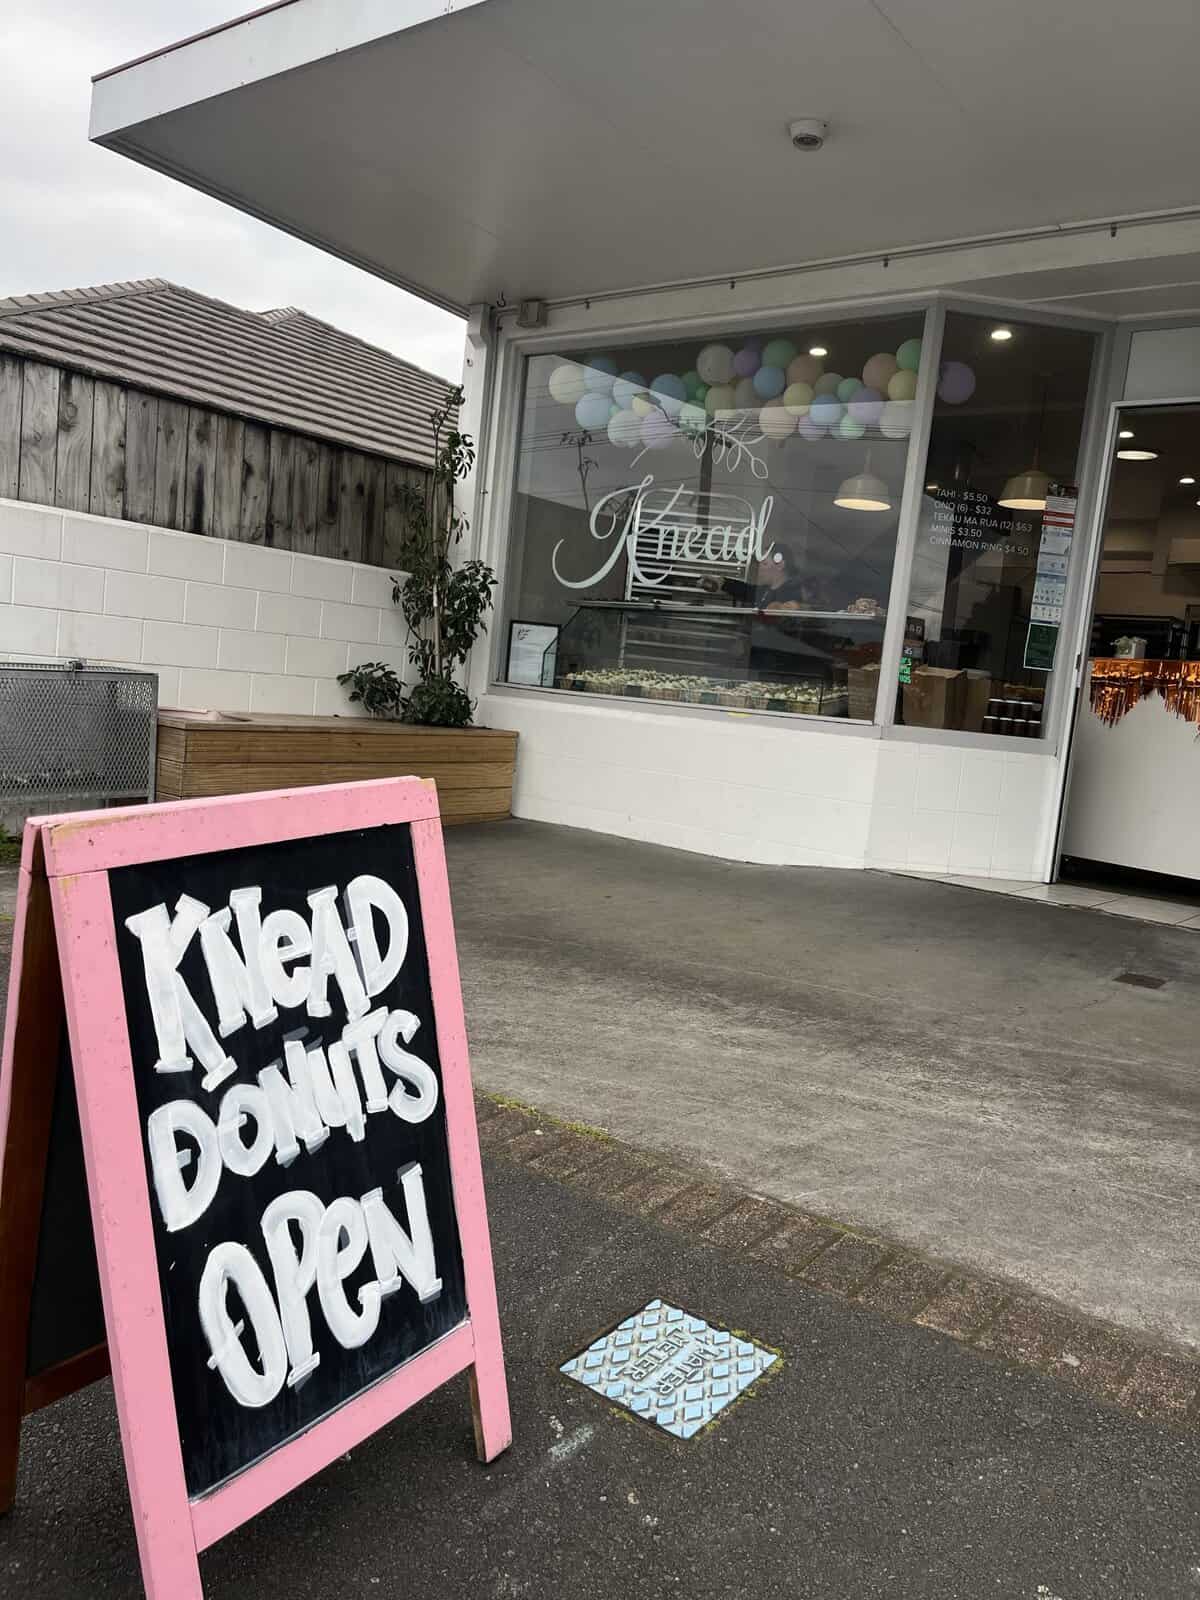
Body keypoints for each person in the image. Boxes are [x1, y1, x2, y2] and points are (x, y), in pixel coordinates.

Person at [700, 545, 825, 611]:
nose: (759, 568)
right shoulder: (766, 591)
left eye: (764, 563)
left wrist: (798, 608)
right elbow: (747, 591)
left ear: (780, 565)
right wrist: (722, 583)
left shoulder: (794, 593)